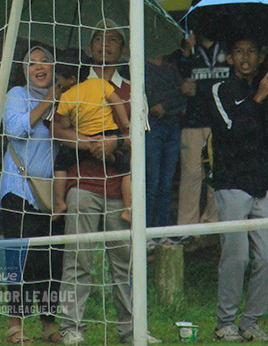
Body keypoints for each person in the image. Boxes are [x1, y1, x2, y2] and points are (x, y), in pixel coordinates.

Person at [52, 19, 159, 345]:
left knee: (124, 264)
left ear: (123, 50)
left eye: (113, 39)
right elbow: (56, 130)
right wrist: (88, 144)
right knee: (77, 259)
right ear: (89, 47)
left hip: (121, 189)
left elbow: (139, 137)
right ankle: (72, 328)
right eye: (98, 38)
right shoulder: (74, 86)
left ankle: (131, 330)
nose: (104, 44)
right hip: (82, 183)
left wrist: (115, 143)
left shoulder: (132, 87)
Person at [207, 35, 268, 343]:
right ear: (229, 58)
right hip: (232, 185)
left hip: (264, 186)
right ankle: (224, 323)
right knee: (236, 257)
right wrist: (256, 101)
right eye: (239, 51)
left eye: (251, 51)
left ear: (259, 57)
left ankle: (251, 322)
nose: (245, 56)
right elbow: (231, 134)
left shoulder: (265, 90)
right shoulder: (219, 90)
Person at [0, 46, 64, 345]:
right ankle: (15, 326)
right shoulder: (15, 94)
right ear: (24, 70)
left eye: (45, 62)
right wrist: (47, 101)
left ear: (53, 68)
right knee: (18, 260)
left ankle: (48, 323)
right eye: (32, 63)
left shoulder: (65, 99)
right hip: (19, 190)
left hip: (52, 193)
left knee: (49, 260)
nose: (39, 67)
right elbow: (15, 130)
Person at [51, 53, 132, 223]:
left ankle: (59, 203)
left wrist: (62, 102)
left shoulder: (67, 96)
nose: (58, 82)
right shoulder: (100, 83)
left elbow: (64, 125)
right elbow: (117, 102)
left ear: (72, 79)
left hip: (85, 139)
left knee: (60, 164)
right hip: (110, 134)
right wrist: (125, 123)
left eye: (59, 78)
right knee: (126, 168)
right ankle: (128, 208)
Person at [176, 30, 229, 229]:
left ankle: (212, 224)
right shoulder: (189, 50)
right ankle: (187, 227)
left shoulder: (226, 47)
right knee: (190, 176)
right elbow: (179, 81)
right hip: (193, 122)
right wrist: (187, 51)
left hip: (220, 122)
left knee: (216, 175)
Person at [143, 51, 189, 234]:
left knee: (166, 183)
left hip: (172, 125)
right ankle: (145, 232)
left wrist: (167, 104)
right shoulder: (143, 66)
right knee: (152, 182)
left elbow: (184, 96)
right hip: (153, 127)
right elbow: (152, 102)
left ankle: (161, 231)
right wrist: (176, 95)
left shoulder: (171, 68)